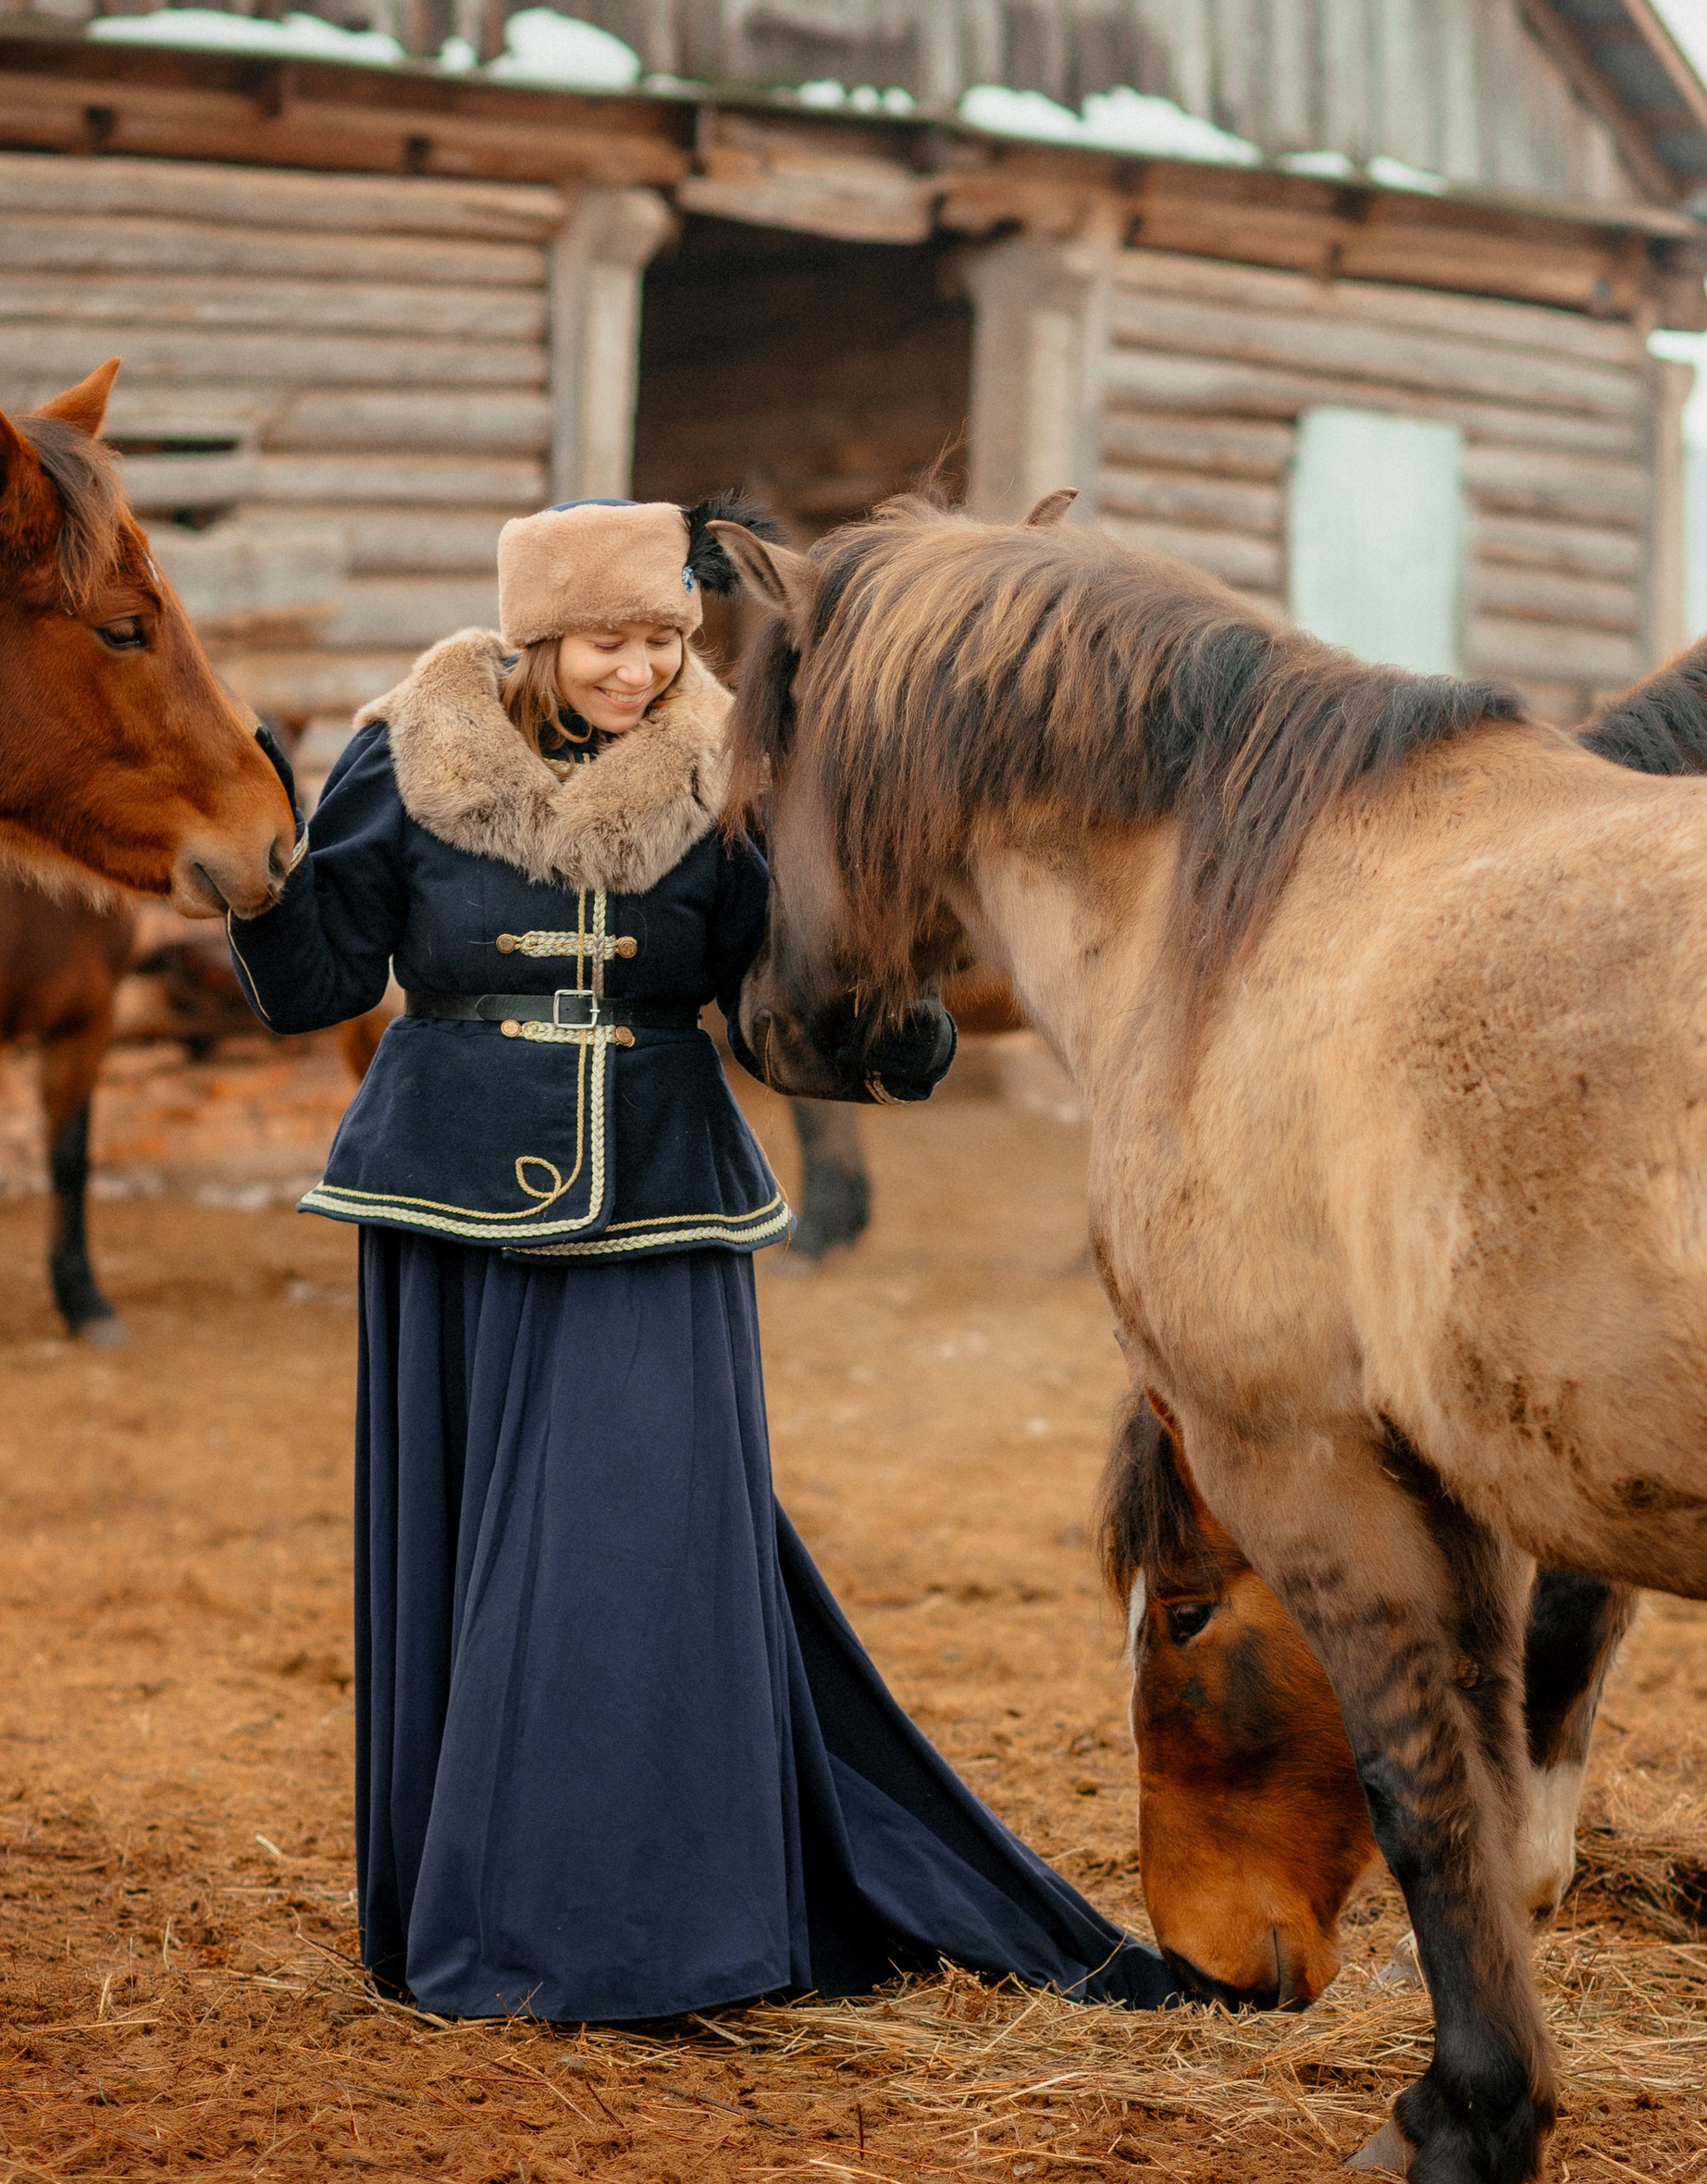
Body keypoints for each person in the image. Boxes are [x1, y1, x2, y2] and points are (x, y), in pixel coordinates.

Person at [229, 496, 1177, 2021]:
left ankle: (646, 1926)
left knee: (635, 1552)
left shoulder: (727, 774)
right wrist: (264, 885)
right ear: (538, 637)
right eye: (610, 642)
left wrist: (900, 1010)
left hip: (661, 1202)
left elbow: (774, 1004)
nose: (643, 671)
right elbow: (318, 982)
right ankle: (492, 1912)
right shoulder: (405, 753)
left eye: (666, 641)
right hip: (450, 1202)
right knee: (478, 1563)